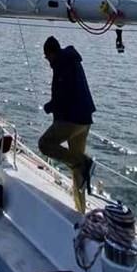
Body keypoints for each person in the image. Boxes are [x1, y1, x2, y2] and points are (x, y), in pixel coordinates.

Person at [38, 36, 96, 213]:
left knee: (45, 144)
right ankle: (80, 211)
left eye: (47, 57)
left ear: (51, 53)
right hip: (84, 120)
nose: (47, 61)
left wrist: (49, 106)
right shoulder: (72, 61)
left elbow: (63, 96)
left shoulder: (62, 64)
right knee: (76, 169)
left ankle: (85, 161)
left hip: (72, 119)